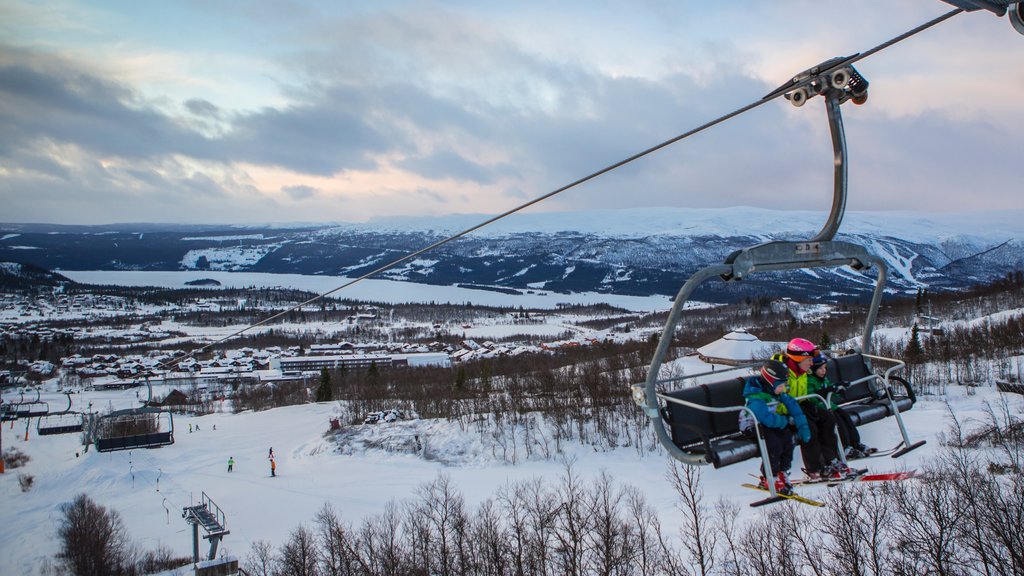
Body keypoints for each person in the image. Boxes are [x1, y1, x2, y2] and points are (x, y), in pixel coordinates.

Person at [742, 359, 811, 495]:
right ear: (771, 382)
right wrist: (785, 421)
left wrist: (802, 425)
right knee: (773, 444)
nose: (783, 389)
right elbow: (764, 418)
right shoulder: (756, 396)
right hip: (753, 425)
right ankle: (769, 476)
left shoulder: (775, 391)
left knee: (788, 439)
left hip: (770, 423)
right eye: (781, 386)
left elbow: (793, 406)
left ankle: (782, 471)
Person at [806, 354, 876, 459]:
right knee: (838, 422)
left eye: (824, 368)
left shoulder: (823, 379)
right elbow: (812, 396)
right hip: (821, 408)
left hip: (830, 406)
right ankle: (845, 446)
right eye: (820, 369)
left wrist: (838, 388)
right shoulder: (809, 381)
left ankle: (855, 443)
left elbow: (831, 391)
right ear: (812, 370)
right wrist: (828, 391)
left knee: (846, 418)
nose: (823, 371)